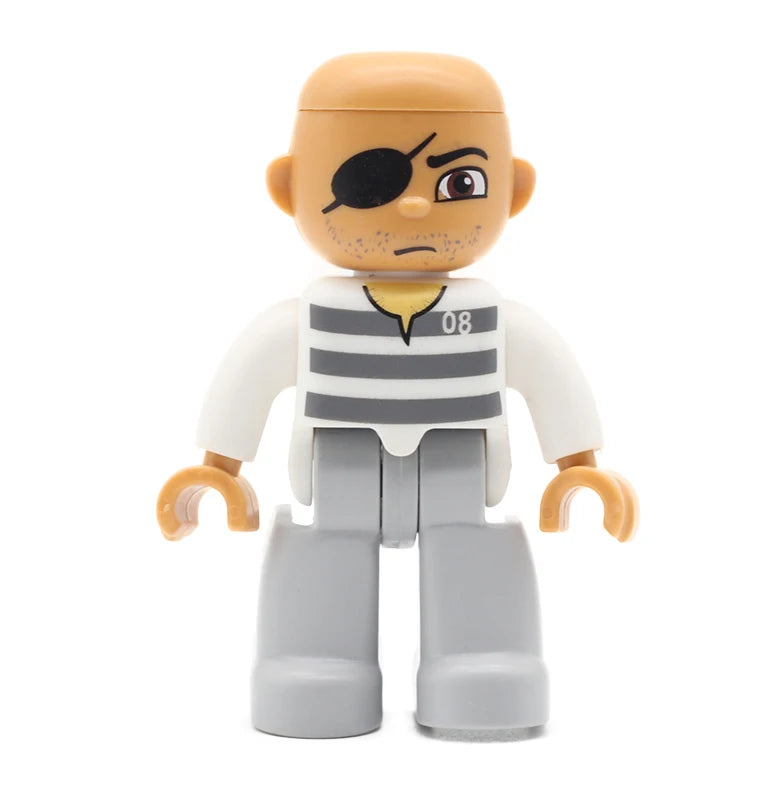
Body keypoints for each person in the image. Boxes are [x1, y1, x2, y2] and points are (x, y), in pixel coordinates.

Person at [156, 51, 638, 739]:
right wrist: (218, 468)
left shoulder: (494, 318)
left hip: (458, 464)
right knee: (324, 547)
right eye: (367, 183)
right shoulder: (309, 318)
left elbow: (548, 375)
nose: (414, 206)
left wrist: (578, 465)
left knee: (473, 548)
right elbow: (251, 375)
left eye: (460, 182)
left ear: (514, 189)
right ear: (290, 187)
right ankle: (312, 665)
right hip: (341, 460)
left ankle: (483, 662)